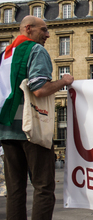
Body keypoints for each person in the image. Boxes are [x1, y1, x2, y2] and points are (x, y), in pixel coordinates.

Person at [0, 15, 74, 219]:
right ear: (28, 28)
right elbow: (39, 89)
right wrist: (64, 81)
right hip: (32, 128)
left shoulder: (4, 55)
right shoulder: (35, 50)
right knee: (43, 186)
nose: (48, 35)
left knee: (15, 190)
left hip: (6, 130)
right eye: (44, 30)